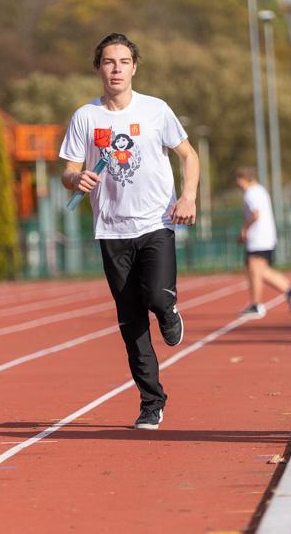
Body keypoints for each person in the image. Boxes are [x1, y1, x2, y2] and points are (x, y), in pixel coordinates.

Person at [59, 33, 199, 430]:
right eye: (108, 61)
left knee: (155, 295)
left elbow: (189, 155)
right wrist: (76, 180)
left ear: (134, 67)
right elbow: (68, 172)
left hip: (156, 222)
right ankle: (151, 402)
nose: (116, 68)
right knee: (131, 323)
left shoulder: (156, 110)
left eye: (123, 61)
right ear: (98, 68)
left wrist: (187, 196)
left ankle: (168, 309)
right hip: (111, 230)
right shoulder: (85, 117)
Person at [235, 166, 291, 317]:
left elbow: (255, 214)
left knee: (255, 271)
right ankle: (290, 291)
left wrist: (245, 228)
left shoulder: (250, 193)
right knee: (258, 270)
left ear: (242, 179)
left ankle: (256, 304)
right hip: (266, 236)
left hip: (258, 237)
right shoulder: (260, 190)